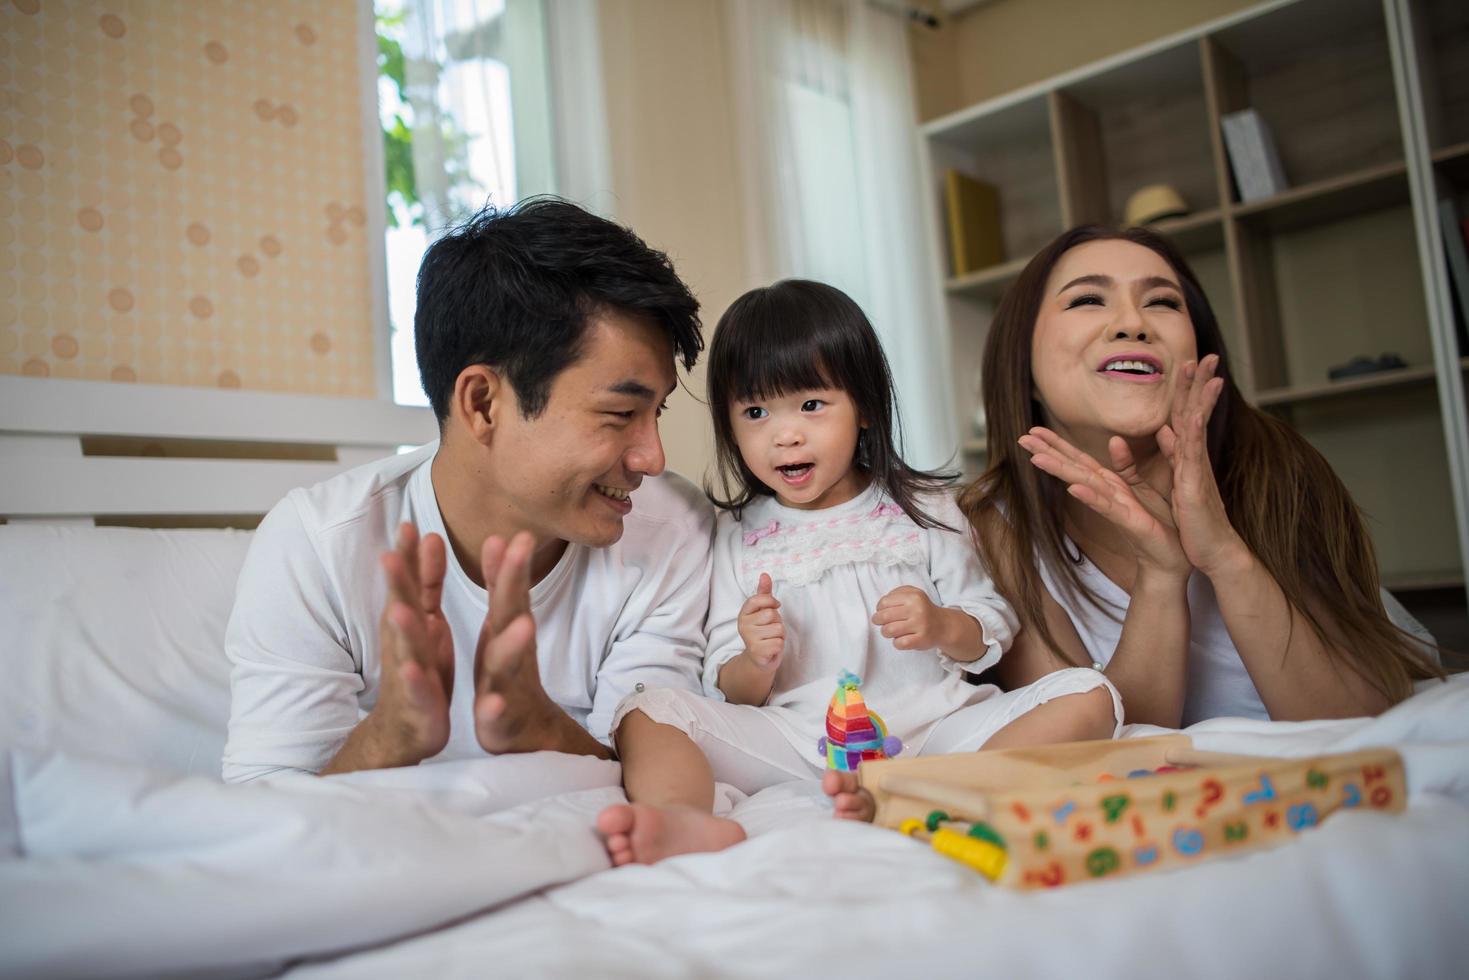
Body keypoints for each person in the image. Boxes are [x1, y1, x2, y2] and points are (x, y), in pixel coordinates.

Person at [596, 279, 1120, 860]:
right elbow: (728, 686)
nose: (785, 432)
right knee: (647, 707)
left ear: (865, 407)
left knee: (1090, 692)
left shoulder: (925, 507)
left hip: (934, 731)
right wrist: (754, 657)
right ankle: (679, 819)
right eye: (755, 411)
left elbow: (991, 624)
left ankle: (919, 794)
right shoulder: (736, 535)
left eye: (812, 405)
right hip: (804, 741)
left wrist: (943, 624)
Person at [222, 197, 715, 782]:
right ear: (482, 403)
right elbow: (264, 810)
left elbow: (656, 786)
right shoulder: (318, 546)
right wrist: (391, 736)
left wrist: (542, 729)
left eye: (656, 412)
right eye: (619, 413)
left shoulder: (673, 532)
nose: (652, 458)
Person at [960, 225, 1444, 729]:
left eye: (1163, 302)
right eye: (1088, 299)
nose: (1133, 323)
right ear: (1023, 363)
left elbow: (1357, 726)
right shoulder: (993, 529)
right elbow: (1096, 751)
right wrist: (1162, 574)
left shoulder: (1273, 467)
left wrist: (1224, 554)